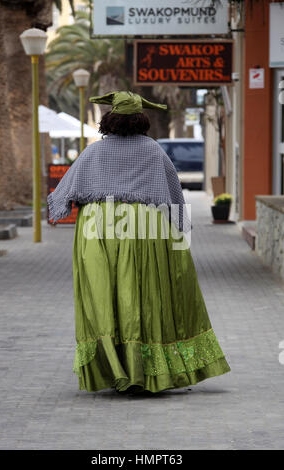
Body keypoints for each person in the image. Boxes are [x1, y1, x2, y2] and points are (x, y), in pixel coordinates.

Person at [47, 91, 230, 395]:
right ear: (142, 120)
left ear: (109, 120)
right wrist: (181, 232)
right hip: (147, 231)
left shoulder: (94, 153)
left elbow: (66, 193)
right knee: (145, 295)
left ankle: (114, 367)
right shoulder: (153, 151)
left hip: (99, 231)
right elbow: (174, 197)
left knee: (104, 296)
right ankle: (147, 368)